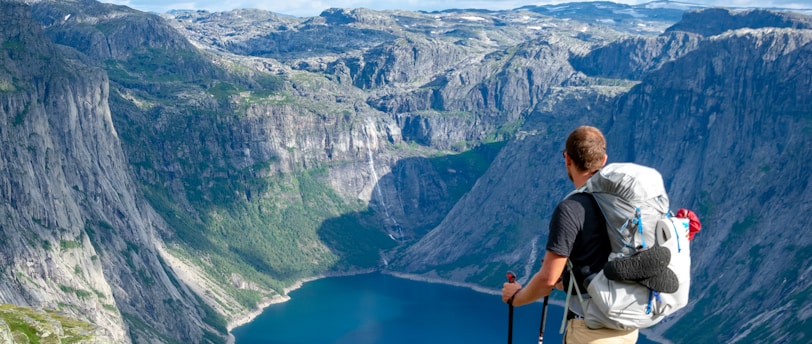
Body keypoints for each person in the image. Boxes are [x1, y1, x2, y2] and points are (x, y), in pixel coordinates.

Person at [501, 126, 638, 343]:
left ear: (567, 159)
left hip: (591, 333)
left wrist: (516, 297)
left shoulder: (571, 209)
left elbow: (548, 279)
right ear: (604, 160)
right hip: (627, 329)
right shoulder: (624, 201)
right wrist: (567, 280)